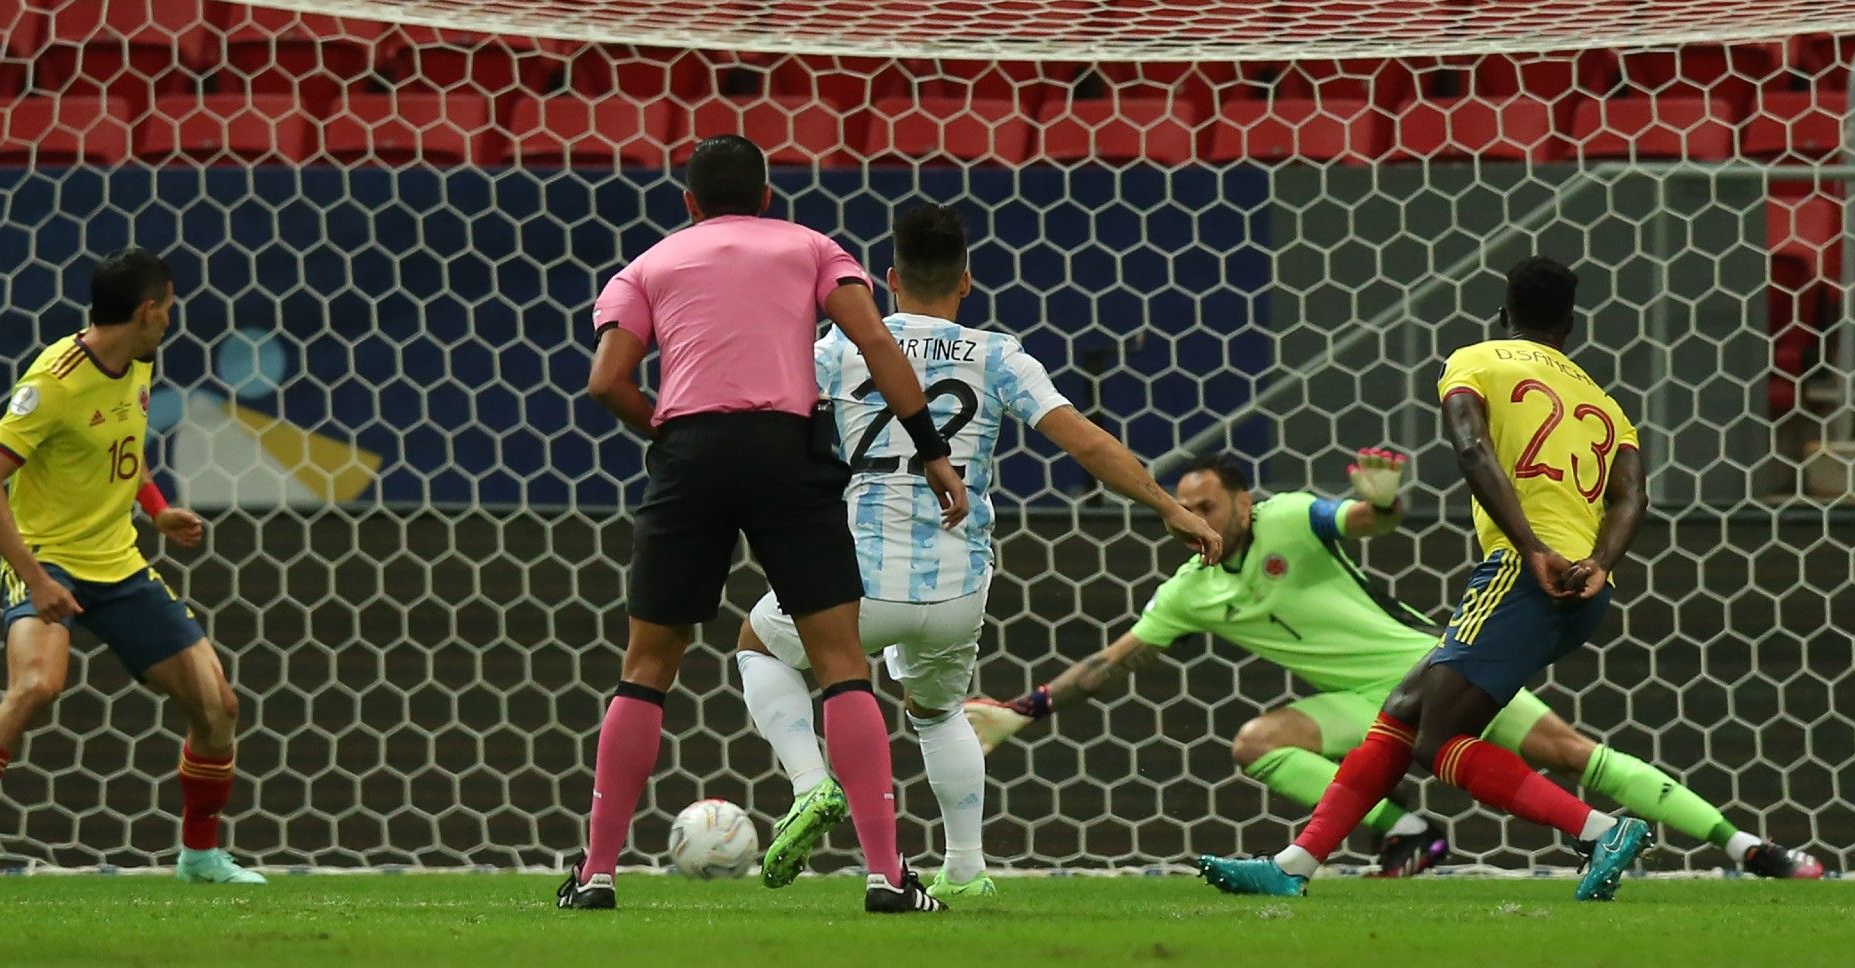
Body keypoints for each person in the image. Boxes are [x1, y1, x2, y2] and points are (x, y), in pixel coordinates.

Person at [969, 452, 1823, 880]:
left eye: (1206, 504)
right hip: (1354, 702)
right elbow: (1110, 663)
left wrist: (1381, 500)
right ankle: (1404, 830)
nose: (1193, 518)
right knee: (1258, 741)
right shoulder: (1187, 592)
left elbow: (1364, 521)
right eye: (1179, 510)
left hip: (1433, 669)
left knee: (1567, 750)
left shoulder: (1289, 519)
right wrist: (1024, 708)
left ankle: (1747, 846)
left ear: (1242, 502)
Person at [738, 203, 1221, 900]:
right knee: (937, 712)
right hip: (957, 584)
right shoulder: (997, 355)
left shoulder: (841, 347)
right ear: (966, 280)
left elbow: (767, 416)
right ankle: (966, 868)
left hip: (856, 580)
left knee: (757, 643)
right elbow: (1083, 440)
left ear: (890, 279)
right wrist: (1169, 506)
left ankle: (812, 783)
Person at [559, 136, 970, 915]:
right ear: (768, 198)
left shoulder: (647, 266)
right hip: (786, 453)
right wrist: (932, 451)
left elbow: (606, 380)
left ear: (688, 203)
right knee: (841, 661)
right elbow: (875, 340)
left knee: (646, 666)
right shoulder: (811, 248)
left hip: (690, 457)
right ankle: (887, 878)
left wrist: (668, 433)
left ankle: (596, 876)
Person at [1198, 257, 1667, 902]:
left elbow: (1472, 448)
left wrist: (1530, 548)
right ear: (1571, 324)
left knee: (1438, 741)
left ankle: (1601, 830)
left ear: (1503, 314)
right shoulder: (1606, 407)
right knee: (1402, 712)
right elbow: (1633, 496)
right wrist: (1602, 564)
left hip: (1522, 572)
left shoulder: (1475, 361)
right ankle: (1294, 865)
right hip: (1586, 585)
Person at [0, 249, 259, 885]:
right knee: (36, 687)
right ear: (147, 310)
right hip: (49, 560)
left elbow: (122, 447)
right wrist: (36, 578)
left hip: (120, 565)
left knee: (218, 706)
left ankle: (199, 857)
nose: (171, 317)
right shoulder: (54, 383)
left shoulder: (138, 362)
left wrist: (157, 510)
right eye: (168, 306)